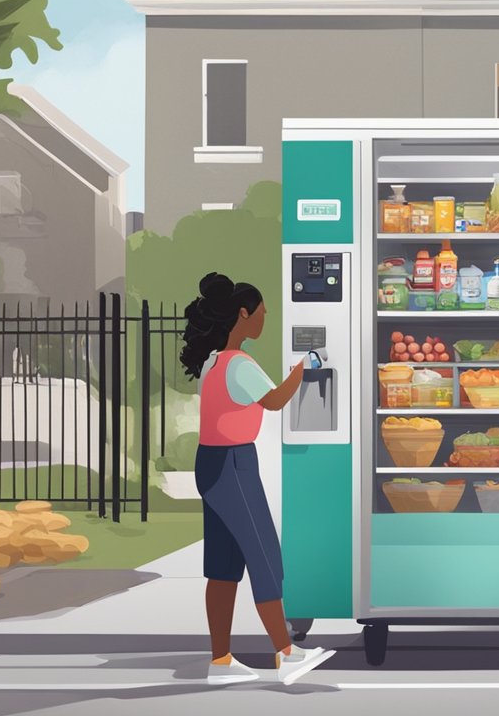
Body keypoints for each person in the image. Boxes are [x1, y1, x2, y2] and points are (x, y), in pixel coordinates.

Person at [179, 272, 335, 686]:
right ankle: (287, 653)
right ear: (243, 314)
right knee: (265, 555)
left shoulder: (213, 360)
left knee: (223, 566)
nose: (265, 319)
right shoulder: (240, 363)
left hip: (209, 463)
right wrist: (305, 367)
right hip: (234, 465)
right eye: (262, 312)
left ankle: (221, 661)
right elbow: (276, 401)